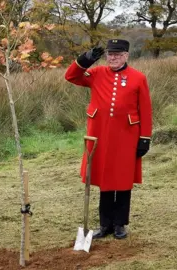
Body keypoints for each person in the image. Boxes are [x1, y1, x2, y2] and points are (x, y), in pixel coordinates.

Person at [65, 39, 152, 239]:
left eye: (118, 54)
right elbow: (71, 76)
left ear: (126, 56)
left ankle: (120, 224)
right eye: (110, 54)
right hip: (100, 135)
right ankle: (105, 225)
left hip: (126, 137)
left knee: (122, 179)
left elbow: (145, 110)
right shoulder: (96, 74)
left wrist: (144, 138)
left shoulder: (138, 78)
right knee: (104, 179)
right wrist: (85, 60)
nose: (113, 58)